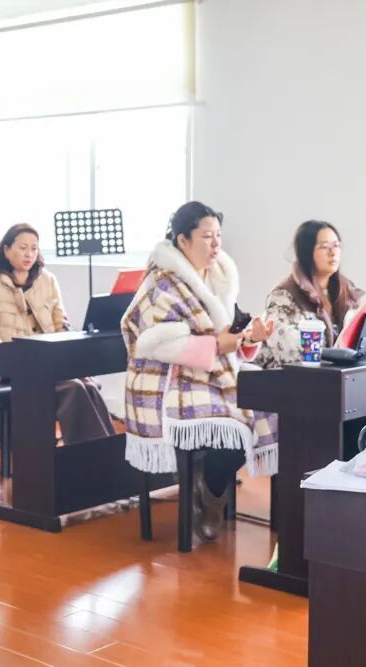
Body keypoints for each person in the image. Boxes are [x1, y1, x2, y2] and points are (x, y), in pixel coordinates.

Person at [121, 202, 276, 542]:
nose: (216, 243)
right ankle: (211, 497)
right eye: (207, 236)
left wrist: (251, 337)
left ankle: (209, 488)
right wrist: (219, 345)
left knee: (266, 410)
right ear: (183, 240)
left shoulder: (219, 275)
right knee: (235, 426)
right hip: (170, 380)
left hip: (212, 375)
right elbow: (156, 345)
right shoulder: (161, 283)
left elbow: (228, 334)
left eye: (218, 235)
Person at [0, 223, 116, 444]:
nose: (29, 254)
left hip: (50, 362)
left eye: (34, 248)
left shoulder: (48, 280)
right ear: (6, 250)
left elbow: (61, 325)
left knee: (89, 385)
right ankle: (90, 456)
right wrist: (7, 360)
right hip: (14, 367)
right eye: (23, 248)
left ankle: (106, 451)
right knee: (73, 388)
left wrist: (75, 363)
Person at [256, 220, 363, 369]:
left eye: (336, 245)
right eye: (324, 247)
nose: (333, 252)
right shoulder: (283, 296)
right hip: (290, 377)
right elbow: (286, 351)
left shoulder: (348, 292)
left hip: (334, 376)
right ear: (307, 252)